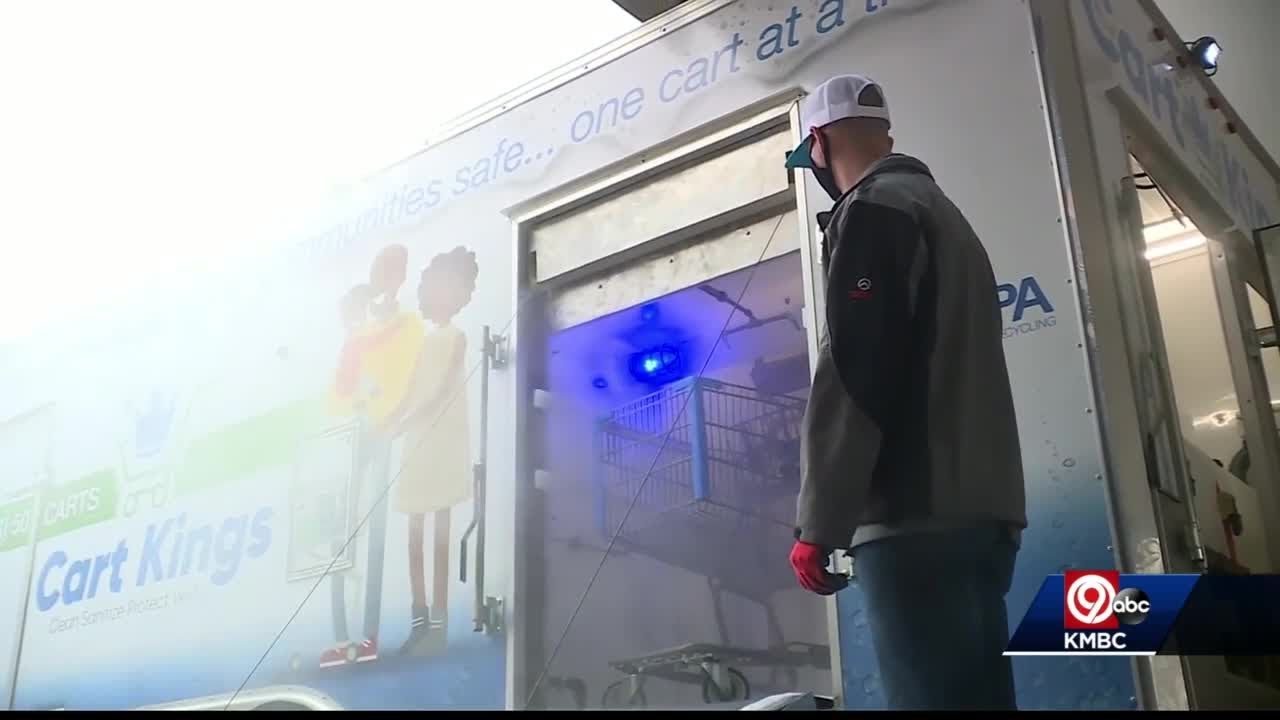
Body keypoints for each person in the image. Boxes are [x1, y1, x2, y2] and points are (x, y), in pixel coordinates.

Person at [783, 75, 1026, 710]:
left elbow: (860, 366)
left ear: (818, 143)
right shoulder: (944, 215)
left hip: (914, 517)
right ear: (885, 136)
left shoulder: (873, 211)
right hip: (982, 517)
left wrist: (821, 520)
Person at [320, 244, 425, 668]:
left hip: (382, 430)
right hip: (352, 434)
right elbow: (338, 390)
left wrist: (393, 413)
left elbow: (411, 374)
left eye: (393, 270)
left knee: (373, 530)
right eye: (381, 268)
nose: (387, 276)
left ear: (400, 277)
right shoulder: (358, 335)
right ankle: (340, 637)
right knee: (340, 537)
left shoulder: (407, 324)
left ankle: (366, 636)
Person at [391, 246, 479, 657]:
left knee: (441, 532)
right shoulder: (424, 341)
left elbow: (444, 386)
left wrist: (412, 418)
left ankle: (439, 625)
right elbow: (409, 386)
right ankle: (419, 620)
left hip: (443, 436)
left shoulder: (457, 337)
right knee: (414, 532)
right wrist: (394, 417)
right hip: (417, 440)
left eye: (453, 288)